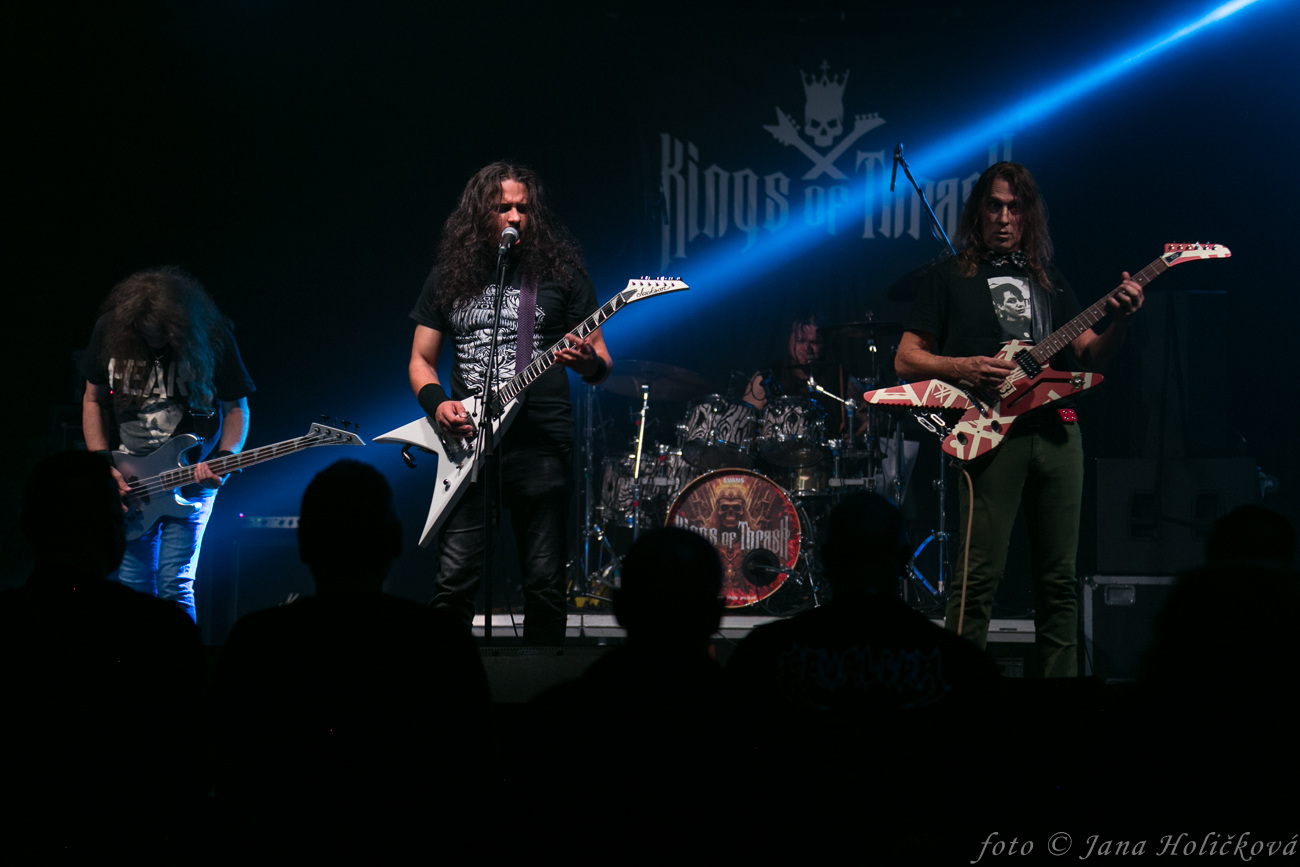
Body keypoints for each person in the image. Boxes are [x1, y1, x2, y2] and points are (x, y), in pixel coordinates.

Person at [893, 162, 1143, 676]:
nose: (1004, 218)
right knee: (977, 577)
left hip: (1057, 433)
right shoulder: (949, 277)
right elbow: (905, 358)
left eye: (1014, 207)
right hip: (989, 433)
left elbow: (1089, 355)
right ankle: (959, 688)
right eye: (994, 206)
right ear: (978, 212)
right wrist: (963, 366)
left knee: (1059, 580)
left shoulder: (1048, 280)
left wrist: (1120, 321)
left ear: (1028, 215)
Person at [408, 161, 612, 645]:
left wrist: (586, 362)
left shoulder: (562, 275)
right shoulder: (448, 276)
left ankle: (542, 682)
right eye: (503, 207)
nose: (515, 216)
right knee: (453, 583)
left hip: (541, 446)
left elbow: (602, 362)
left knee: (544, 584)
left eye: (524, 207)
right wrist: (438, 405)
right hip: (469, 448)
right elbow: (420, 360)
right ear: (481, 214)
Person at [81, 266, 254, 621]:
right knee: (133, 584)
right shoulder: (110, 330)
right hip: (130, 481)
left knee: (176, 584)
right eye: (147, 332)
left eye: (164, 332)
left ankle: (180, 655)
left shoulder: (212, 335)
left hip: (192, 479)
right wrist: (103, 465)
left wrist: (224, 460)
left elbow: (236, 408)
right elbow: (92, 400)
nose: (156, 340)